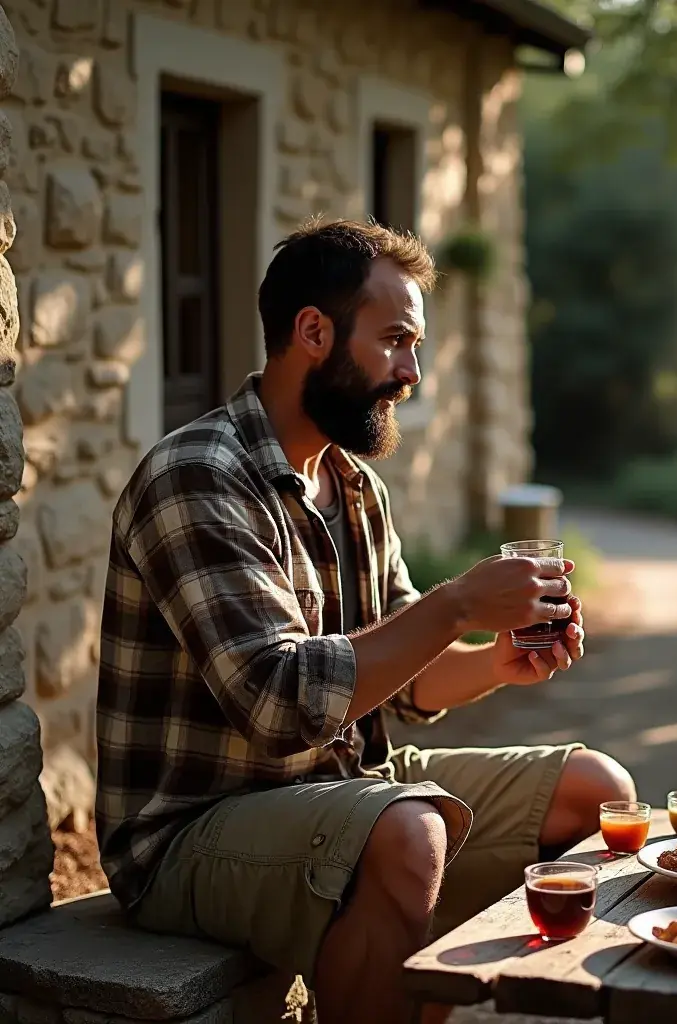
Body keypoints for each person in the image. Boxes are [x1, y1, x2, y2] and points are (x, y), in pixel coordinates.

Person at [95, 218, 635, 1024]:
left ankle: (395, 992)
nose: (412, 372)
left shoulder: (351, 485)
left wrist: (495, 659)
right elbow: (283, 708)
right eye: (395, 342)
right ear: (313, 332)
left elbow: (402, 683)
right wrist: (458, 602)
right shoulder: (196, 479)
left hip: (343, 786)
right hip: (191, 831)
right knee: (409, 832)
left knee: (597, 792)